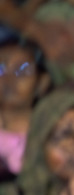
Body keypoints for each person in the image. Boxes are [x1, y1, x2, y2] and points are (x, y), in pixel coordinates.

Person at [0, 34, 46, 178]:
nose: (9, 79)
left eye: (22, 70)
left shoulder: (50, 135)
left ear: (42, 83)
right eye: (0, 70)